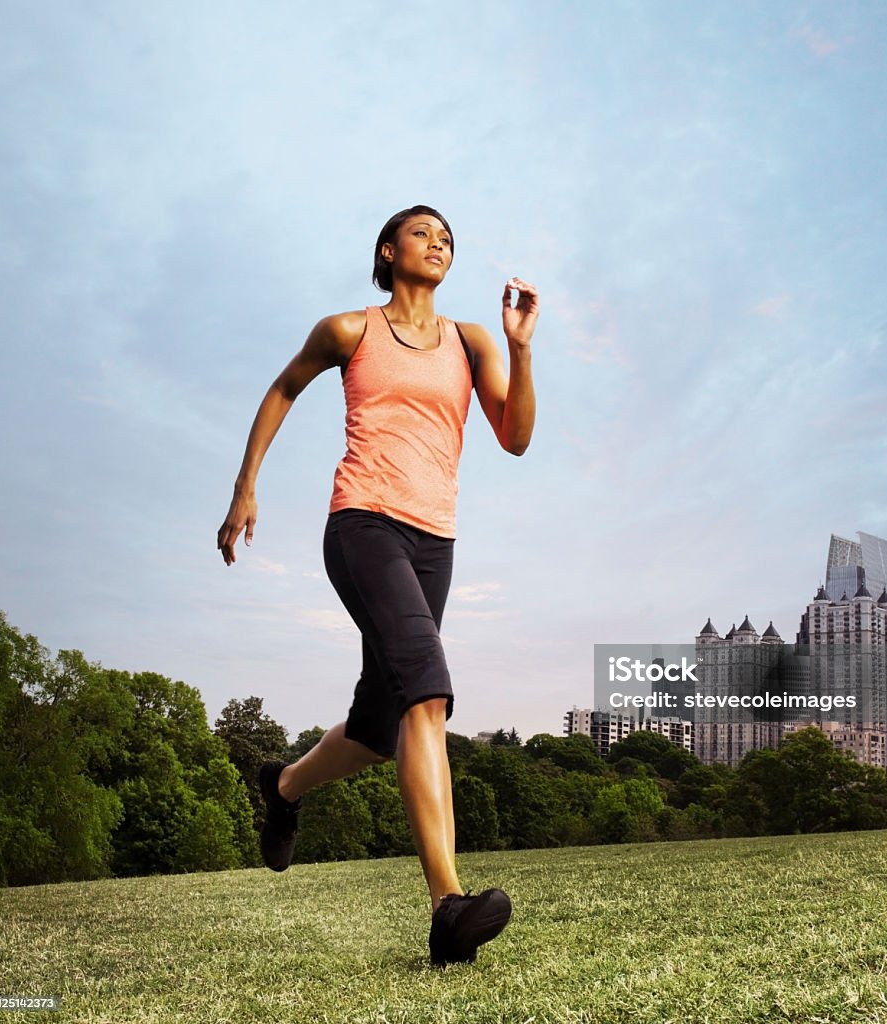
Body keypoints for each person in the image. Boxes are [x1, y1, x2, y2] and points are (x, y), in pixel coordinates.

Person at [216, 205, 538, 966]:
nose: (439, 243)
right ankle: (447, 907)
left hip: (435, 541)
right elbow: (283, 388)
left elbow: (516, 437)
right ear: (390, 250)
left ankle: (285, 787)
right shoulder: (349, 331)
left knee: (378, 727)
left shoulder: (472, 341)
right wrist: (245, 486)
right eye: (423, 233)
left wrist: (522, 352)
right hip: (363, 525)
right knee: (427, 689)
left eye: (448, 238)